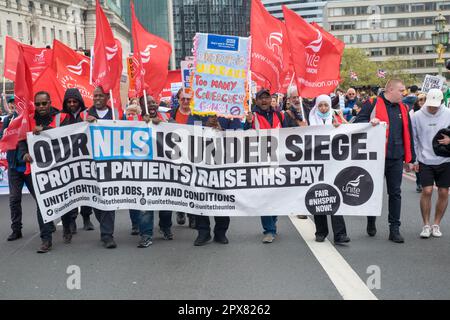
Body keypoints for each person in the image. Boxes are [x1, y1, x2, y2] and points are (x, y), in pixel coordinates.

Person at [355, 79, 416, 243]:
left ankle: (394, 229)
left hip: (396, 157)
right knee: (373, 191)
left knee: (395, 193)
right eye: (401, 90)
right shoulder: (372, 103)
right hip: (376, 157)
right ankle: (371, 220)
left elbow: (409, 133)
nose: (404, 93)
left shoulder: (403, 108)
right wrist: (370, 122)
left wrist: (411, 158)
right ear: (390, 90)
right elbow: (357, 123)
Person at [18, 91, 68, 252]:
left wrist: (45, 129)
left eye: (44, 103)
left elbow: (68, 137)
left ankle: (67, 226)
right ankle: (46, 240)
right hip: (39, 170)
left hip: (61, 168)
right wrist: (24, 153)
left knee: (64, 200)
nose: (41, 107)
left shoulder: (61, 117)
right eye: (38, 104)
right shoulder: (29, 120)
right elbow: (21, 142)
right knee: (42, 203)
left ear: (50, 102)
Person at [244, 89, 287, 244]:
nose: (264, 101)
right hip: (259, 162)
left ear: (271, 100)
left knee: (275, 196)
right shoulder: (252, 116)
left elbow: (290, 134)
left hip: (278, 161)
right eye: (261, 98)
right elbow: (242, 136)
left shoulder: (280, 116)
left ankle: (272, 219)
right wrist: (247, 123)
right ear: (256, 101)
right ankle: (269, 230)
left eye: (267, 98)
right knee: (264, 196)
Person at [132, 94, 174, 248]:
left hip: (164, 168)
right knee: (145, 204)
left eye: (154, 102)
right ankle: (146, 235)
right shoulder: (134, 120)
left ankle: (165, 227)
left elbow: (177, 131)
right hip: (143, 169)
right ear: (141, 105)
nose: (152, 105)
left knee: (165, 202)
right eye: (148, 102)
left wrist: (161, 124)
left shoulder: (167, 117)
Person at [308, 95, 350, 244]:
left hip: (334, 164)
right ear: (316, 107)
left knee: (335, 197)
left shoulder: (337, 118)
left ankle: (340, 234)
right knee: (318, 196)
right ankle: (321, 231)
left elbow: (351, 131)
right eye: (320, 106)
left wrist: (341, 125)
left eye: (326, 105)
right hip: (316, 164)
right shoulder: (310, 121)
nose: (324, 108)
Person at [411, 89, 450, 239]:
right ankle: (426, 225)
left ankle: (436, 224)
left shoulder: (448, 113)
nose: (433, 108)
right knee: (426, 191)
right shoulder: (418, 116)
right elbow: (414, 139)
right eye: (430, 104)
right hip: (425, 159)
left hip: (445, 159)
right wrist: (414, 160)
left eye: (436, 105)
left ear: (441, 102)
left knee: (443, 192)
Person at [85, 86, 118, 248]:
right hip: (91, 166)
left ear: (107, 97)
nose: (97, 98)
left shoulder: (117, 114)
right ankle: (104, 224)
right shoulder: (85, 115)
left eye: (100, 96)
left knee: (107, 199)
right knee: (96, 200)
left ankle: (107, 235)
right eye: (95, 96)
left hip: (111, 165)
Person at [60, 88, 95, 238]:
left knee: (86, 189)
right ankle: (72, 219)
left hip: (85, 159)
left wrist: (94, 122)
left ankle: (87, 217)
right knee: (72, 190)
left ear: (79, 101)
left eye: (74, 101)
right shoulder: (61, 118)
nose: (72, 104)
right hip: (69, 160)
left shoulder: (88, 114)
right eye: (69, 102)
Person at [170, 88, 196, 229]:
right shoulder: (171, 115)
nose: (185, 101)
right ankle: (180, 210)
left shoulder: (198, 114)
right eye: (183, 99)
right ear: (178, 99)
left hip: (193, 155)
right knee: (179, 184)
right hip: (176, 156)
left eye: (188, 99)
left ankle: (192, 216)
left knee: (192, 185)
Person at [410, 93, 427, 192]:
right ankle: (419, 182)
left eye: (424, 100)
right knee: (417, 161)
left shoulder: (430, 112)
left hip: (426, 142)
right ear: (417, 101)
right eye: (420, 100)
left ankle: (425, 182)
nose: (422, 102)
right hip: (416, 140)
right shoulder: (412, 113)